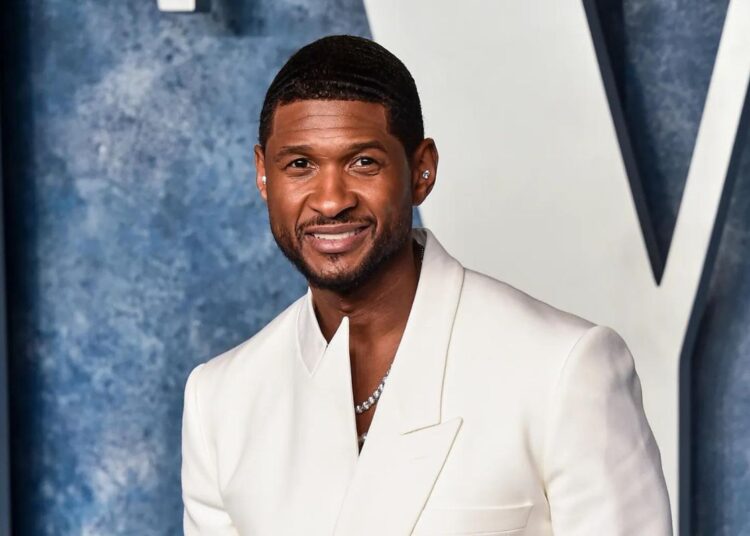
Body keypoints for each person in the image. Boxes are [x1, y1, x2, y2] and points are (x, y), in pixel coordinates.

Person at [181, 35, 672, 535]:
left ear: (422, 170)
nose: (330, 201)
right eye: (300, 165)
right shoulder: (220, 400)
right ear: (263, 174)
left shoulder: (562, 368)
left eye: (363, 162)